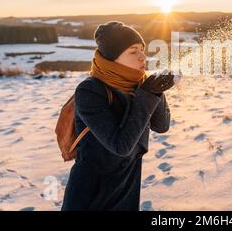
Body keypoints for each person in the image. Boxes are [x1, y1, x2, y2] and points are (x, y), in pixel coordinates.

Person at [62, 21, 174, 211]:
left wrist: (156, 91)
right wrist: (147, 94)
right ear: (112, 58)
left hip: (126, 189)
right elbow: (120, 145)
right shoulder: (90, 91)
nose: (142, 56)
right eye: (133, 51)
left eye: (141, 49)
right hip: (92, 194)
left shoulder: (137, 85)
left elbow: (161, 126)